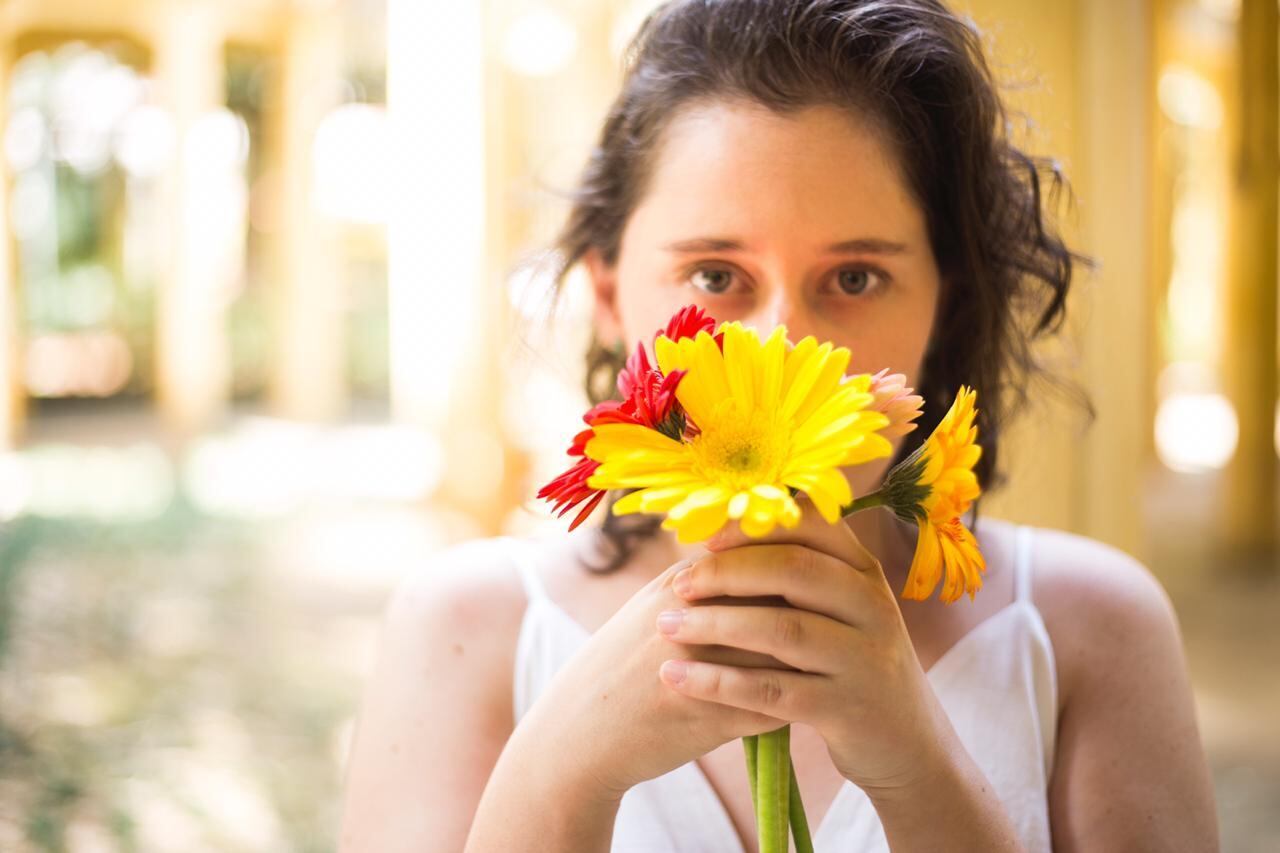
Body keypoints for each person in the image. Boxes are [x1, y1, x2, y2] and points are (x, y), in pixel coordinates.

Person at [338, 1, 1219, 851]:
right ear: (607, 295)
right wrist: (560, 771)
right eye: (717, 277)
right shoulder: (462, 629)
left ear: (944, 303)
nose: (784, 345)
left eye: (856, 278)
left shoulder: (1093, 629)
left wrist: (918, 765)